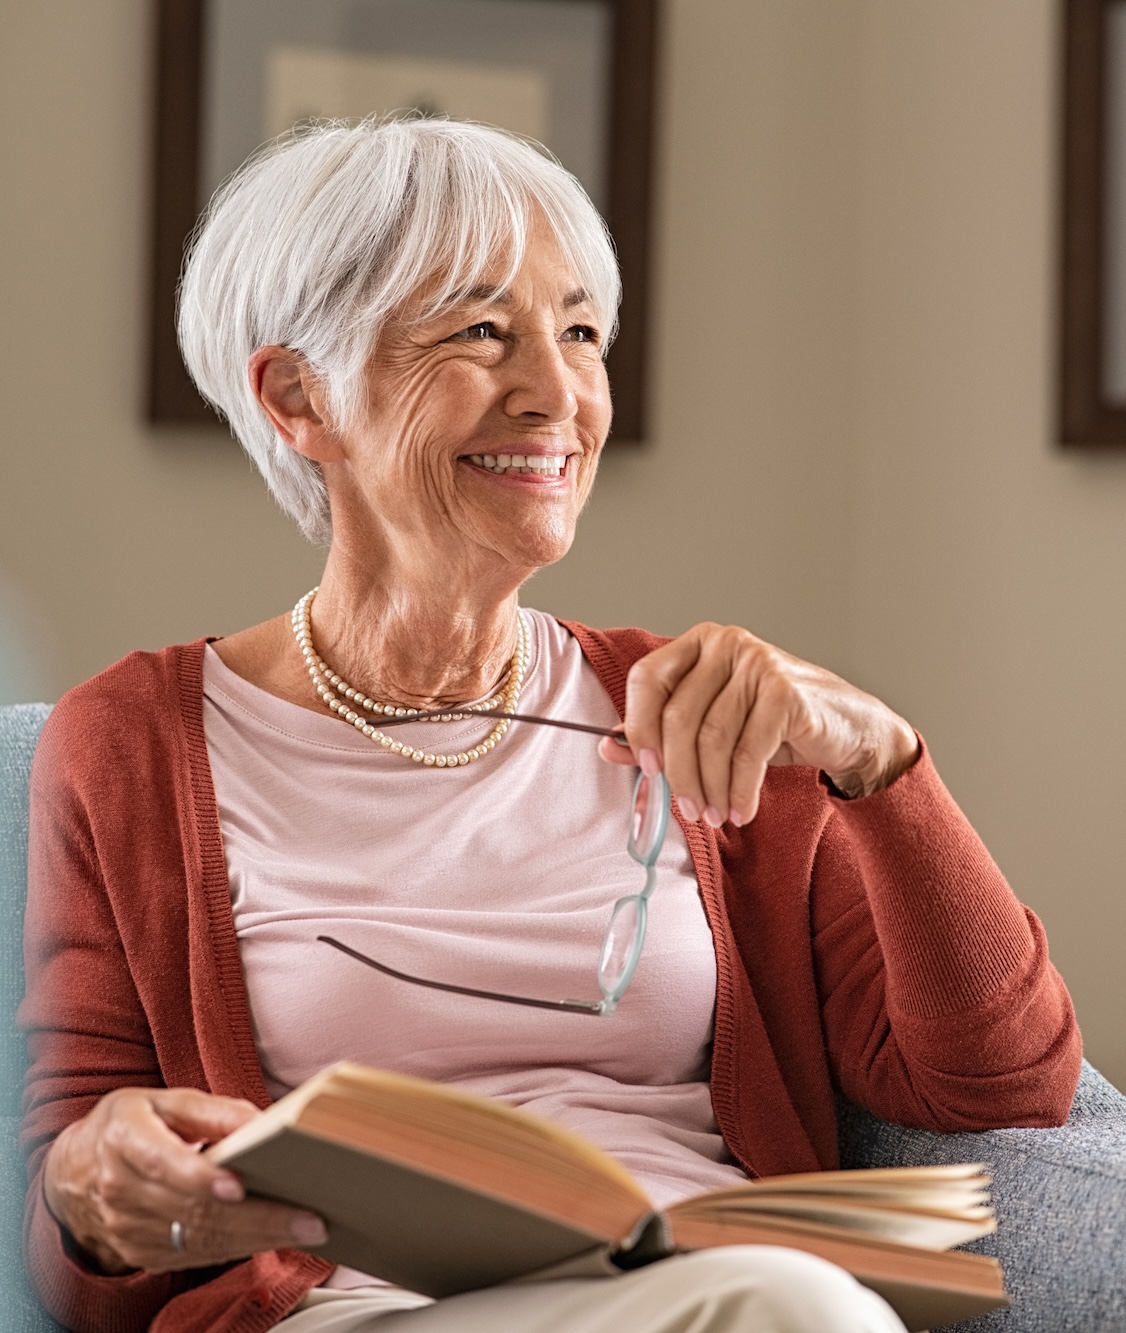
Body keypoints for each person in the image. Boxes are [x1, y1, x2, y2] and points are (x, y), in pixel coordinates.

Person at [20, 117, 1080, 1333]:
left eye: (579, 332)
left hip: (697, 1285)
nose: (558, 395)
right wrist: (92, 1187)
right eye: (481, 332)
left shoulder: (700, 716)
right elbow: (71, 1224)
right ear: (298, 395)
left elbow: (1003, 1083)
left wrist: (880, 763)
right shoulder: (133, 745)